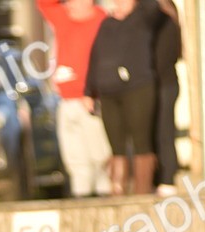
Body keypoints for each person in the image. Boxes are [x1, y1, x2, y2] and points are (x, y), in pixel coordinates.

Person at [84, 0, 176, 195]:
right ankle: (118, 188)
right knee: (115, 144)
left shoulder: (143, 19)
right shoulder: (107, 23)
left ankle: (142, 189)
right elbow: (95, 56)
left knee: (141, 140)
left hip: (137, 87)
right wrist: (89, 90)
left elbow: (153, 7)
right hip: (108, 91)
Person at [36, 0, 113, 198]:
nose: (69, 4)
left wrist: (94, 91)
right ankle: (82, 199)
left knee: (99, 157)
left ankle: (104, 200)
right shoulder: (63, 17)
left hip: (90, 99)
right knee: (75, 159)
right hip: (66, 100)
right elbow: (45, 4)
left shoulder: (102, 19)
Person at [153, 0, 182, 194]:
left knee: (164, 131)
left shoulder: (168, 24)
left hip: (165, 84)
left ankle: (167, 177)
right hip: (160, 84)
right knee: (158, 132)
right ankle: (161, 176)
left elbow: (163, 58)